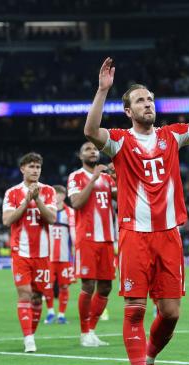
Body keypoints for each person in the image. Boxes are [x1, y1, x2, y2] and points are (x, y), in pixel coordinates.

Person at [84, 56, 189, 365]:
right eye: (140, 101)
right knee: (134, 309)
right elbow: (90, 131)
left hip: (169, 235)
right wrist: (102, 91)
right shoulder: (119, 141)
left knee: (171, 313)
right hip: (134, 236)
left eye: (150, 99)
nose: (148, 104)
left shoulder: (172, 136)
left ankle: (149, 359)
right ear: (128, 111)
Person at [2, 152, 57, 353]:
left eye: (38, 167)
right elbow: (7, 220)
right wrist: (26, 202)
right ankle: (29, 339)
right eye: (31, 166)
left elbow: (51, 219)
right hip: (21, 252)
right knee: (25, 294)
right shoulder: (12, 193)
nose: (35, 170)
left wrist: (38, 200)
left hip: (42, 253)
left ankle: (31, 333)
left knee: (37, 296)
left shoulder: (49, 191)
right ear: (22, 169)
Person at [68, 142, 117, 347]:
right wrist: (94, 178)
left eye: (95, 149)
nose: (93, 151)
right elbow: (76, 203)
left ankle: (92, 331)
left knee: (106, 286)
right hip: (86, 238)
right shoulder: (76, 176)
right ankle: (83, 332)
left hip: (106, 238)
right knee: (88, 284)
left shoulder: (107, 178)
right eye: (87, 149)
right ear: (81, 156)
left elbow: (123, 198)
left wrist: (118, 176)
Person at [47, 185, 76, 324]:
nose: (57, 197)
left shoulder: (70, 212)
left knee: (64, 286)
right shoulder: (46, 211)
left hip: (65, 257)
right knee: (48, 285)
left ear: (64, 196)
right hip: (48, 257)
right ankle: (50, 312)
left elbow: (75, 236)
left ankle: (61, 315)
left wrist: (75, 256)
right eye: (55, 194)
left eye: (59, 194)